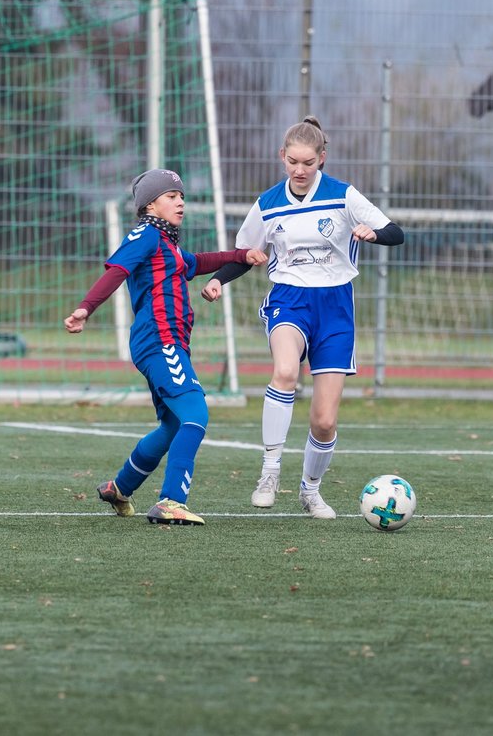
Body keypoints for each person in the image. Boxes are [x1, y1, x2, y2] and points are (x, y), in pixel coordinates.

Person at [201, 116, 405, 519]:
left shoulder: (343, 196)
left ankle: (310, 491)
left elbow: (396, 232)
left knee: (325, 421)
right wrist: (219, 281)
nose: (299, 169)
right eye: (293, 161)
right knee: (285, 373)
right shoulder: (268, 203)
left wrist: (372, 233)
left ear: (322, 159)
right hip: (289, 301)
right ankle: (269, 471)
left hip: (335, 308)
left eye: (308, 162)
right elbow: (245, 254)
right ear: (282, 157)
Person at [65, 169, 267, 525]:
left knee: (173, 425)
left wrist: (241, 255)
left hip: (165, 342)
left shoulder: (166, 244)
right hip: (160, 339)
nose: (180, 202)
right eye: (171, 196)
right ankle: (171, 500)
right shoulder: (145, 234)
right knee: (196, 412)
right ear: (150, 204)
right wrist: (85, 308)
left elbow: (198, 262)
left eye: (182, 196)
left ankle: (120, 486)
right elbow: (117, 270)